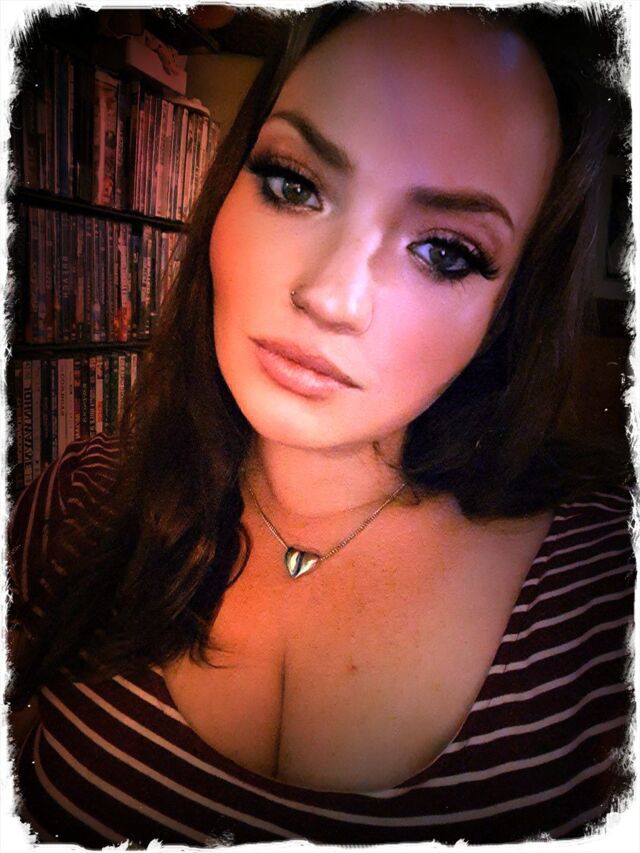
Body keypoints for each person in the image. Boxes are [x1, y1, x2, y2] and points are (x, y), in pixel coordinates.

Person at [7, 3, 635, 847]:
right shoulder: (70, 507)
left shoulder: (606, 596)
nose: (333, 296)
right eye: (294, 184)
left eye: (446, 250)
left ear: (507, 310)